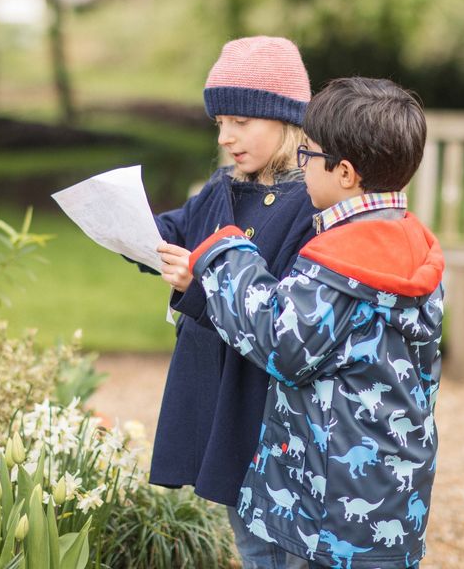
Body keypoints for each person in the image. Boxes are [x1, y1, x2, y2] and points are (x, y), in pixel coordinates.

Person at [185, 77, 445, 569]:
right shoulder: (414, 247)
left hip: (323, 509)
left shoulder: (340, 264)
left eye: (306, 156)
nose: (300, 168)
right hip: (395, 493)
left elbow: (279, 342)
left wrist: (225, 252)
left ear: (344, 172)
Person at [148, 36, 317, 569]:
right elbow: (175, 229)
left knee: (279, 539)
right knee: (246, 533)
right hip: (213, 386)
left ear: (284, 118)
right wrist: (127, 230)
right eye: (219, 122)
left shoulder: (306, 204)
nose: (225, 136)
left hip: (259, 399)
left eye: (241, 122)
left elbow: (275, 308)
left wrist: (194, 287)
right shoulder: (224, 186)